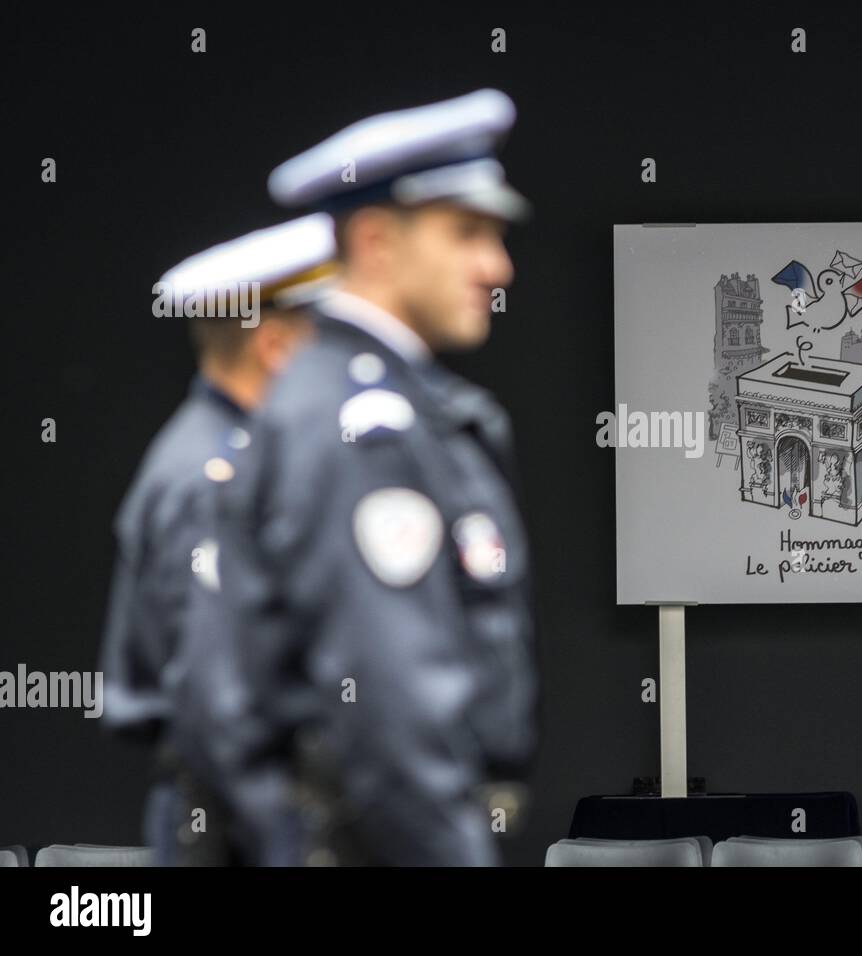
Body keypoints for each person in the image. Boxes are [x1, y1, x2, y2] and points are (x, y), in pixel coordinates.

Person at [207, 88, 538, 866]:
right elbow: (389, 710)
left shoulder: (369, 399)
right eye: (466, 233)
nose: (497, 266)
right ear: (378, 242)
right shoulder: (362, 423)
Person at [98, 214, 335, 864]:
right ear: (277, 348)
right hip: (230, 828)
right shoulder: (209, 481)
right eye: (325, 341)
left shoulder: (238, 463)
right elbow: (218, 704)